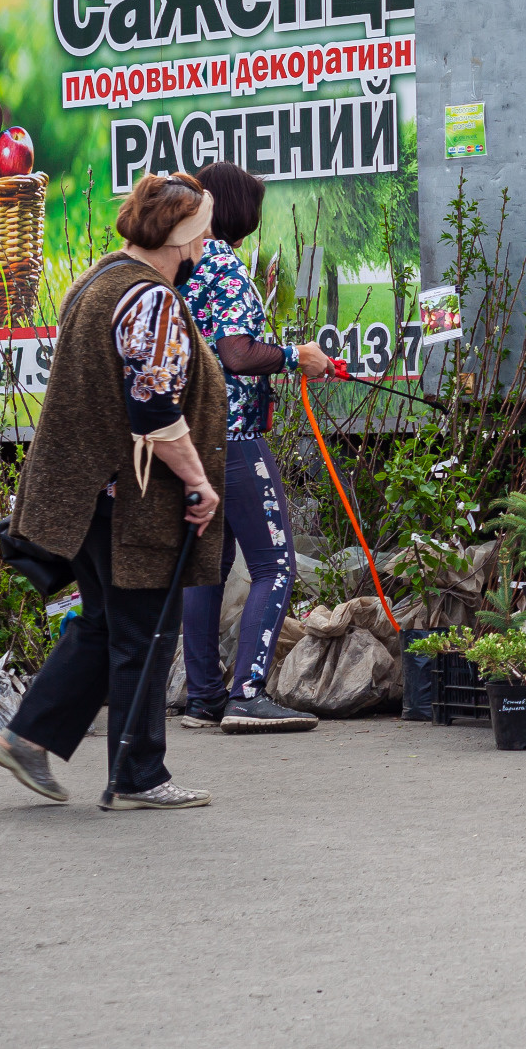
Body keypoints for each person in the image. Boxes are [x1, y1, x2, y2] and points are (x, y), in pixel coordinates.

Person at [0, 173, 227, 811]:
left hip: (87, 492)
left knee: (104, 624)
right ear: (183, 237)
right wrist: (199, 481)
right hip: (130, 503)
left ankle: (27, 739)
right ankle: (140, 774)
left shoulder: (98, 280)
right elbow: (152, 409)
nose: (207, 239)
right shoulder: (151, 300)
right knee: (146, 631)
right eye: (203, 228)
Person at [174, 162, 334, 734]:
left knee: (208, 566)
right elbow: (238, 355)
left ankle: (202, 697)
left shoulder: (183, 266)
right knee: (275, 563)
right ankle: (246, 694)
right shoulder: (226, 267)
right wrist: (299, 357)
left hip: (192, 439)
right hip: (236, 439)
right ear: (237, 210)